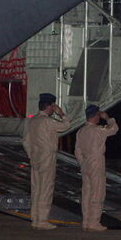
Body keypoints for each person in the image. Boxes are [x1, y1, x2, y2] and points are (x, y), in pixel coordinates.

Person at [22, 93, 71, 230]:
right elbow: (66, 126)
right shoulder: (48, 121)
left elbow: (25, 141)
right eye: (53, 106)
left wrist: (31, 155)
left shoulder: (31, 121)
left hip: (35, 158)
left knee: (36, 189)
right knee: (46, 189)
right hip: (47, 157)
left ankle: (35, 218)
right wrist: (61, 114)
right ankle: (42, 220)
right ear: (50, 106)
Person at [74, 105, 118, 232]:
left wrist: (82, 163)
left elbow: (77, 150)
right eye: (99, 115)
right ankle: (94, 222)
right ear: (95, 116)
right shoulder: (98, 130)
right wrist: (108, 118)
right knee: (97, 192)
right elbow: (114, 129)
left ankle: (86, 221)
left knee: (86, 193)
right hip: (96, 161)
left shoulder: (81, 131)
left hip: (86, 162)